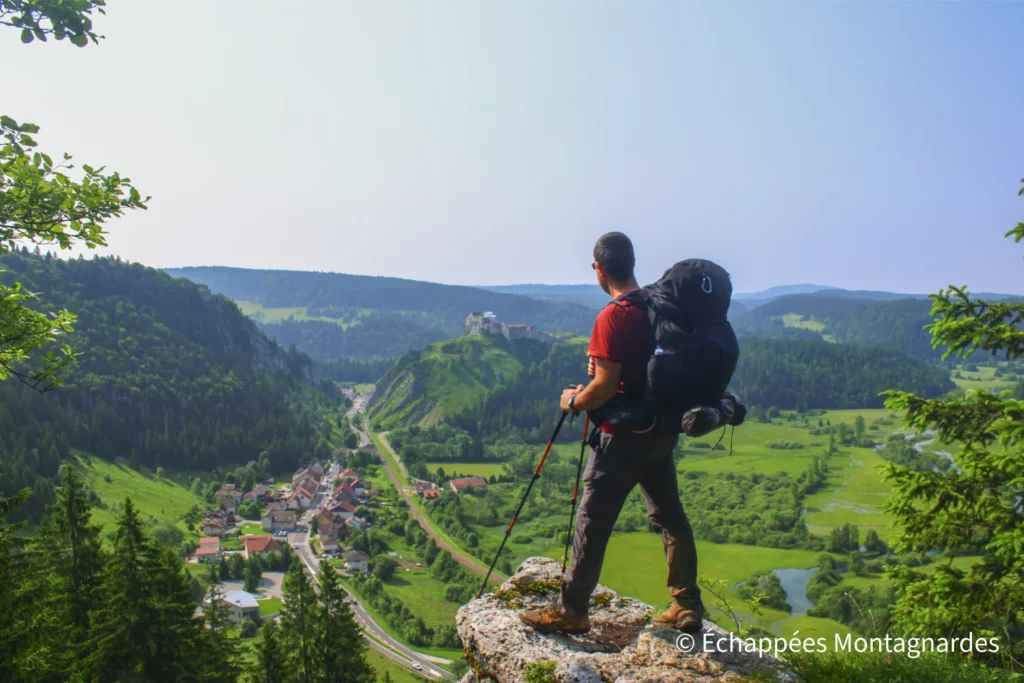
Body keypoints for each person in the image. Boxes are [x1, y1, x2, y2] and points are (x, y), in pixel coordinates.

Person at [519, 232, 704, 634]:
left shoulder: (613, 315)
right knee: (669, 516)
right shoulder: (658, 308)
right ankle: (687, 603)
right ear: (633, 262)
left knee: (593, 518)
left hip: (621, 437)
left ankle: (573, 610)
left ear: (599, 269)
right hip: (661, 433)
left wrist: (572, 400)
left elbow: (604, 387)